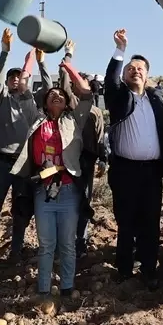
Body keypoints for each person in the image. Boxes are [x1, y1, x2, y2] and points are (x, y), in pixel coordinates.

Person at [12, 60, 93, 305]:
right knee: (46, 244)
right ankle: (44, 288)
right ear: (45, 102)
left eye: (61, 94)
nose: (56, 96)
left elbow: (87, 93)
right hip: (43, 191)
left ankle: (67, 287)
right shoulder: (36, 120)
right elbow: (24, 90)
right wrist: (30, 60)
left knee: (68, 242)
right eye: (52, 95)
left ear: (67, 101)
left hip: (68, 189)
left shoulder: (74, 120)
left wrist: (69, 67)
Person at [105, 29, 163, 289]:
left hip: (152, 171)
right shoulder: (119, 97)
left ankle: (149, 268)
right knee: (126, 219)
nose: (136, 71)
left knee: (151, 220)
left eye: (141, 68)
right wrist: (120, 50)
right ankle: (124, 270)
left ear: (148, 74)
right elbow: (111, 80)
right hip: (125, 170)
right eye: (131, 68)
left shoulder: (155, 99)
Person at [0, 28, 47, 264]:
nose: (15, 80)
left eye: (19, 77)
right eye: (12, 78)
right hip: (0, 162)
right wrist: (4, 52)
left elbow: (48, 87)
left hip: (24, 163)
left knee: (21, 210)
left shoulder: (31, 103)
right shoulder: (2, 99)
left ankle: (16, 252)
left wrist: (40, 63)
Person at [60, 44, 106, 253]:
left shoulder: (96, 112)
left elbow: (100, 138)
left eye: (83, 81)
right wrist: (68, 56)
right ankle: (65, 242)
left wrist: (103, 160)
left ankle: (81, 241)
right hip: (69, 160)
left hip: (87, 161)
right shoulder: (70, 103)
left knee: (84, 201)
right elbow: (63, 78)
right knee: (67, 200)